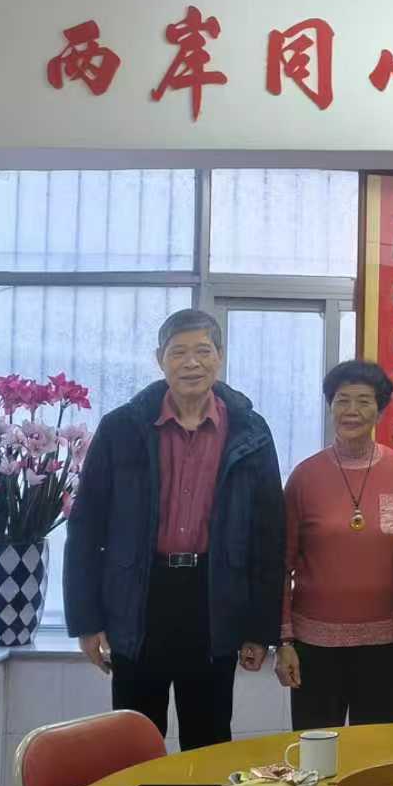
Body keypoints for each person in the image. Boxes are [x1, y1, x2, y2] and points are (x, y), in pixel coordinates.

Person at [64, 308, 285, 750]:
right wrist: (86, 621)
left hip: (214, 598)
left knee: (209, 740)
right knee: (135, 740)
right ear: (159, 359)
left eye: (203, 351)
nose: (191, 363)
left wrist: (261, 628)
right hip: (138, 597)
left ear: (219, 356)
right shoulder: (122, 428)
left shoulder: (251, 432)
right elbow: (86, 527)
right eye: (178, 352)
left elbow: (268, 536)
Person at [274, 360, 393, 729]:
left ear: (380, 410)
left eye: (363, 401)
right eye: (342, 400)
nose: (352, 411)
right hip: (314, 646)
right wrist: (283, 640)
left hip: (386, 643)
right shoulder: (305, 477)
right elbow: (281, 563)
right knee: (316, 751)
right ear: (330, 407)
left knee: (374, 751)